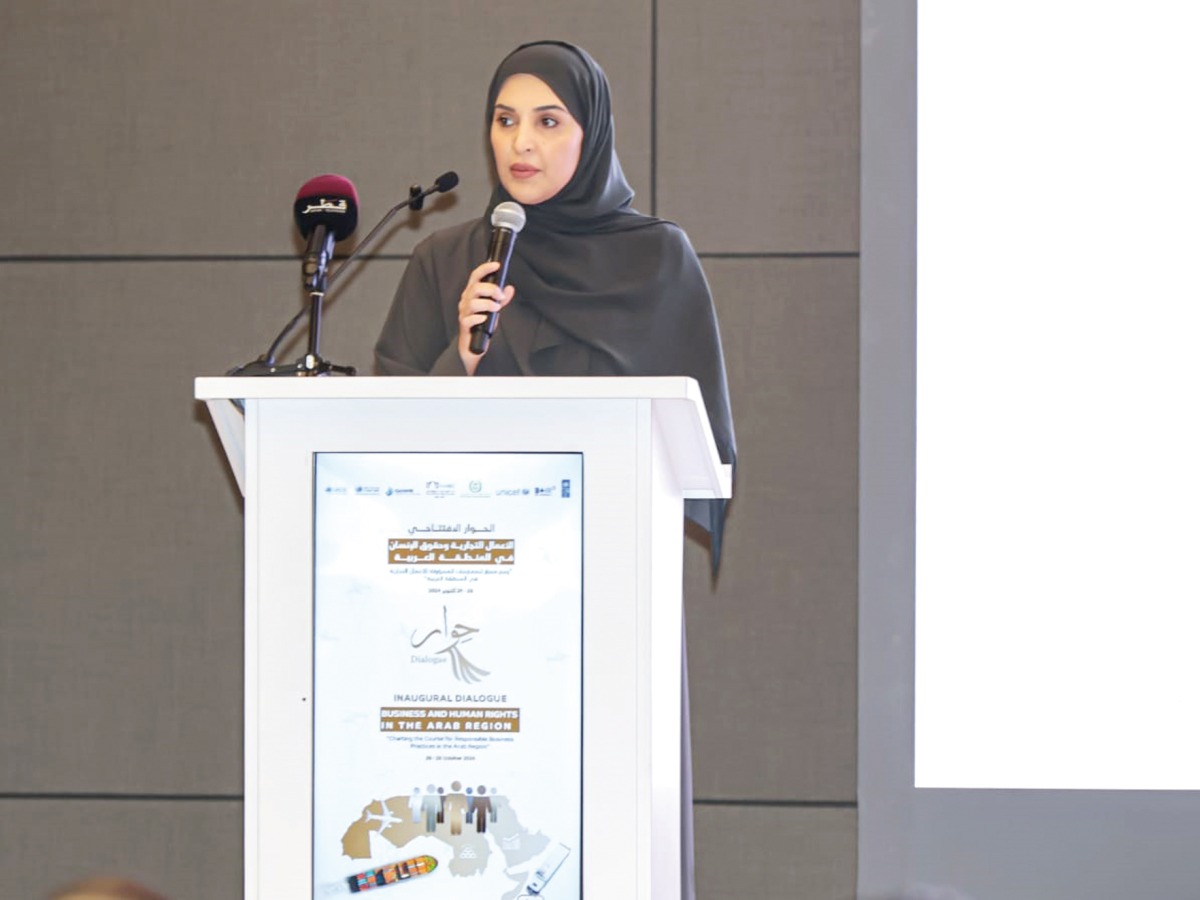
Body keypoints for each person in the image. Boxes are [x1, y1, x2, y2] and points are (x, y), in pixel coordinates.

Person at [374, 40, 736, 900]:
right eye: (505, 121)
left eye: (547, 121)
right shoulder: (444, 262)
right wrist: (454, 363)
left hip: (602, 597)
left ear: (592, 134)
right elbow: (382, 442)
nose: (520, 144)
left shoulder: (657, 262)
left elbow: (702, 445)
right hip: (465, 601)